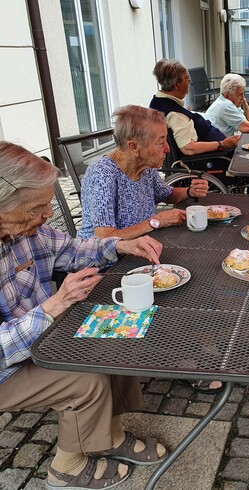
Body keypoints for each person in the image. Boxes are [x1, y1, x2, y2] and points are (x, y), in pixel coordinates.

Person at [0, 141, 169, 489]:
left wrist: (120, 245)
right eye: (38, 207)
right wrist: (55, 305)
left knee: (118, 339)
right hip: (6, 366)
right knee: (84, 380)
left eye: (48, 205)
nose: (48, 215)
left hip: (44, 333)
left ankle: (109, 434)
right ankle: (66, 470)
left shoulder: (26, 230)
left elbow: (73, 248)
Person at [78, 105, 209, 240]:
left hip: (144, 246)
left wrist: (190, 191)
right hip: (110, 259)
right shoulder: (102, 175)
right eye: (161, 142)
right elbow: (104, 238)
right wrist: (155, 221)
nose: (168, 149)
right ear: (134, 147)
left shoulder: (145, 167)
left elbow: (168, 194)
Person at [150, 59, 240, 156]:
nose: (189, 83)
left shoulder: (159, 102)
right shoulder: (174, 114)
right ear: (176, 84)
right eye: (187, 79)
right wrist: (222, 144)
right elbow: (189, 148)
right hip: (217, 159)